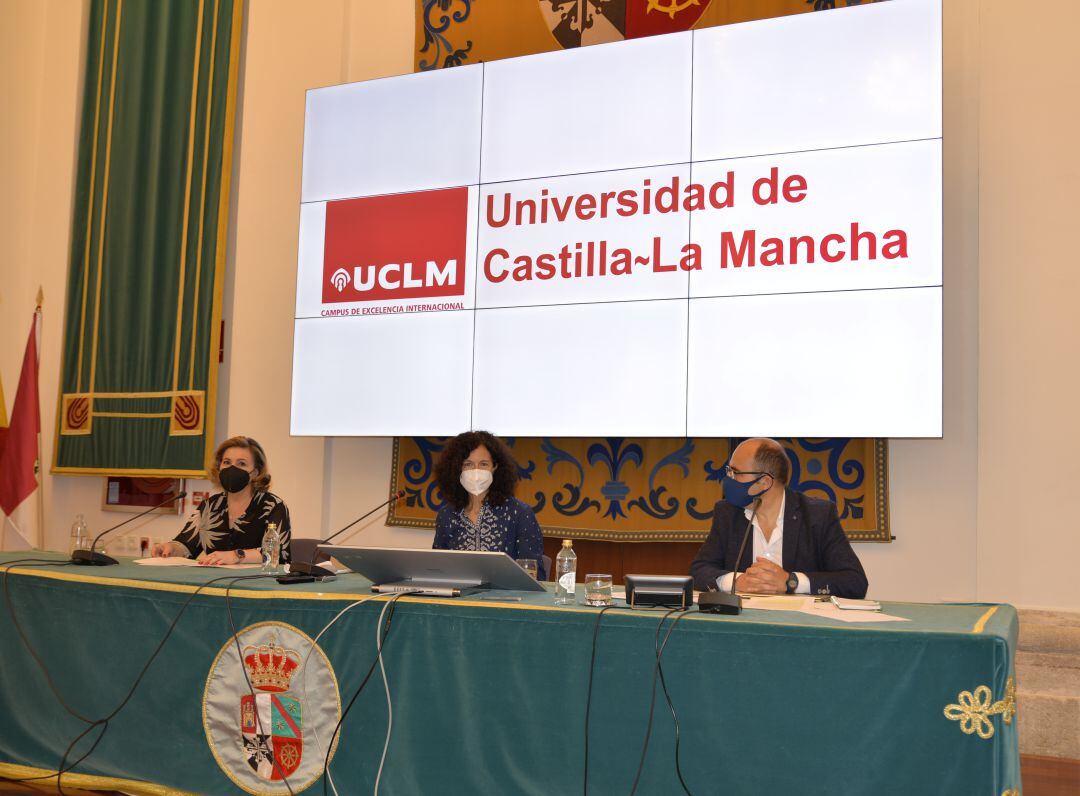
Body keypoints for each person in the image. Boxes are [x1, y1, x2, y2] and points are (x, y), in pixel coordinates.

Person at [690, 438, 868, 598]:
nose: (729, 479)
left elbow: (854, 581)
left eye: (736, 473)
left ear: (765, 482)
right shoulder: (727, 513)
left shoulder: (818, 515)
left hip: (800, 626)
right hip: (743, 622)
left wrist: (791, 582)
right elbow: (699, 571)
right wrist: (737, 581)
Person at [151, 436, 291, 566]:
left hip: (257, 586)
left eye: (241, 463)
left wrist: (237, 556)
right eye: (227, 462)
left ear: (255, 472)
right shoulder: (209, 506)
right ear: (219, 468)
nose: (232, 468)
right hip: (213, 584)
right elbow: (186, 545)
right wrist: (169, 548)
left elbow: (277, 554)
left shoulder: (273, 506)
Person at [432, 430, 546, 580]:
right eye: (468, 464)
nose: (476, 471)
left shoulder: (519, 513)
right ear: (457, 468)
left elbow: (535, 575)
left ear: (495, 467)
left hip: (506, 600)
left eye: (483, 464)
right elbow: (436, 570)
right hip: (459, 598)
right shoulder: (446, 515)